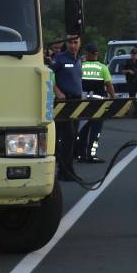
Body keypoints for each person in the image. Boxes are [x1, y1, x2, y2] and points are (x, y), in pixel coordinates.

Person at [50, 35, 83, 181]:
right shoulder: (59, 58)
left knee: (72, 136)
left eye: (76, 42)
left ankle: (66, 171)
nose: (73, 45)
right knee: (67, 137)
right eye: (70, 42)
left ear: (80, 44)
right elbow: (48, 75)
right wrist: (58, 92)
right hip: (64, 101)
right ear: (66, 43)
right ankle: (65, 171)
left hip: (76, 100)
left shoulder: (79, 59)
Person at [76, 44, 116, 163]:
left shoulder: (80, 66)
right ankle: (92, 155)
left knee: (82, 129)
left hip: (83, 102)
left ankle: (81, 155)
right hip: (98, 104)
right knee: (95, 131)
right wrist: (113, 98)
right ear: (96, 54)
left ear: (87, 54)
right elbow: (109, 85)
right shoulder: (103, 67)